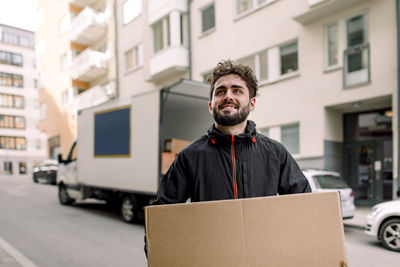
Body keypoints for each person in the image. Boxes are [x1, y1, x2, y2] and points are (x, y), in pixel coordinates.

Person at [152, 59, 311, 205]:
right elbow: (161, 215)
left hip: (261, 237)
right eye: (220, 91)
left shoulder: (276, 153)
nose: (228, 96)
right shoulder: (189, 156)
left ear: (252, 103)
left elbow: (304, 205)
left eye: (237, 91)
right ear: (210, 105)